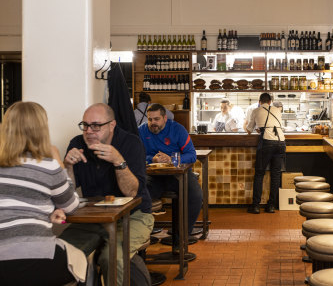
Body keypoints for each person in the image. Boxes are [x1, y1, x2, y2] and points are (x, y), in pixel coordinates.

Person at [63, 103, 154, 286]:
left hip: (134, 217)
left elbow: (132, 192)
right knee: (61, 255)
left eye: (96, 125)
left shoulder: (131, 143)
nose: (89, 131)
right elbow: (67, 194)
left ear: (111, 125)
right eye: (85, 125)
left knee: (111, 258)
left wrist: (119, 162)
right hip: (93, 219)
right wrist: (68, 167)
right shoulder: (77, 144)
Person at [0, 101, 86, 286]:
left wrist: (47, 210)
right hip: (38, 258)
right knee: (82, 262)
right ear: (41, 129)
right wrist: (59, 162)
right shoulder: (47, 166)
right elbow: (71, 206)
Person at [138, 103, 203, 250]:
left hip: (177, 175)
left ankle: (181, 239)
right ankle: (141, 239)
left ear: (165, 118)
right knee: (139, 197)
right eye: (150, 119)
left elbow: (191, 155)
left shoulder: (177, 130)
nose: (152, 123)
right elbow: (135, 155)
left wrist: (171, 159)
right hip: (153, 177)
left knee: (195, 195)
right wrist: (152, 159)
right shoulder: (141, 131)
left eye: (156, 119)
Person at [246, 93, 286, 214]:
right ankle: (271, 206)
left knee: (259, 174)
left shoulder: (255, 110)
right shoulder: (277, 110)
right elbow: (276, 125)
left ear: (260, 101)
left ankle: (256, 206)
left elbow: (248, 130)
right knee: (275, 175)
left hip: (267, 142)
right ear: (270, 102)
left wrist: (258, 127)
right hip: (281, 142)